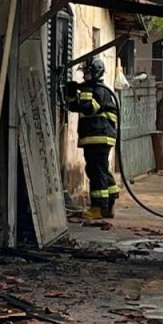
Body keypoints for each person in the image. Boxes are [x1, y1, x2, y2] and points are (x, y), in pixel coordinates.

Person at [65, 57, 121, 219]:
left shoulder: (99, 91)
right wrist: (71, 94)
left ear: (96, 72)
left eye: (88, 73)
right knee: (102, 170)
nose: (85, 76)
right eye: (85, 73)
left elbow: (89, 108)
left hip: (98, 137)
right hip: (97, 137)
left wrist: (84, 90)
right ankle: (109, 206)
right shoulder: (93, 90)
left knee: (95, 171)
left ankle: (97, 208)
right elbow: (74, 106)